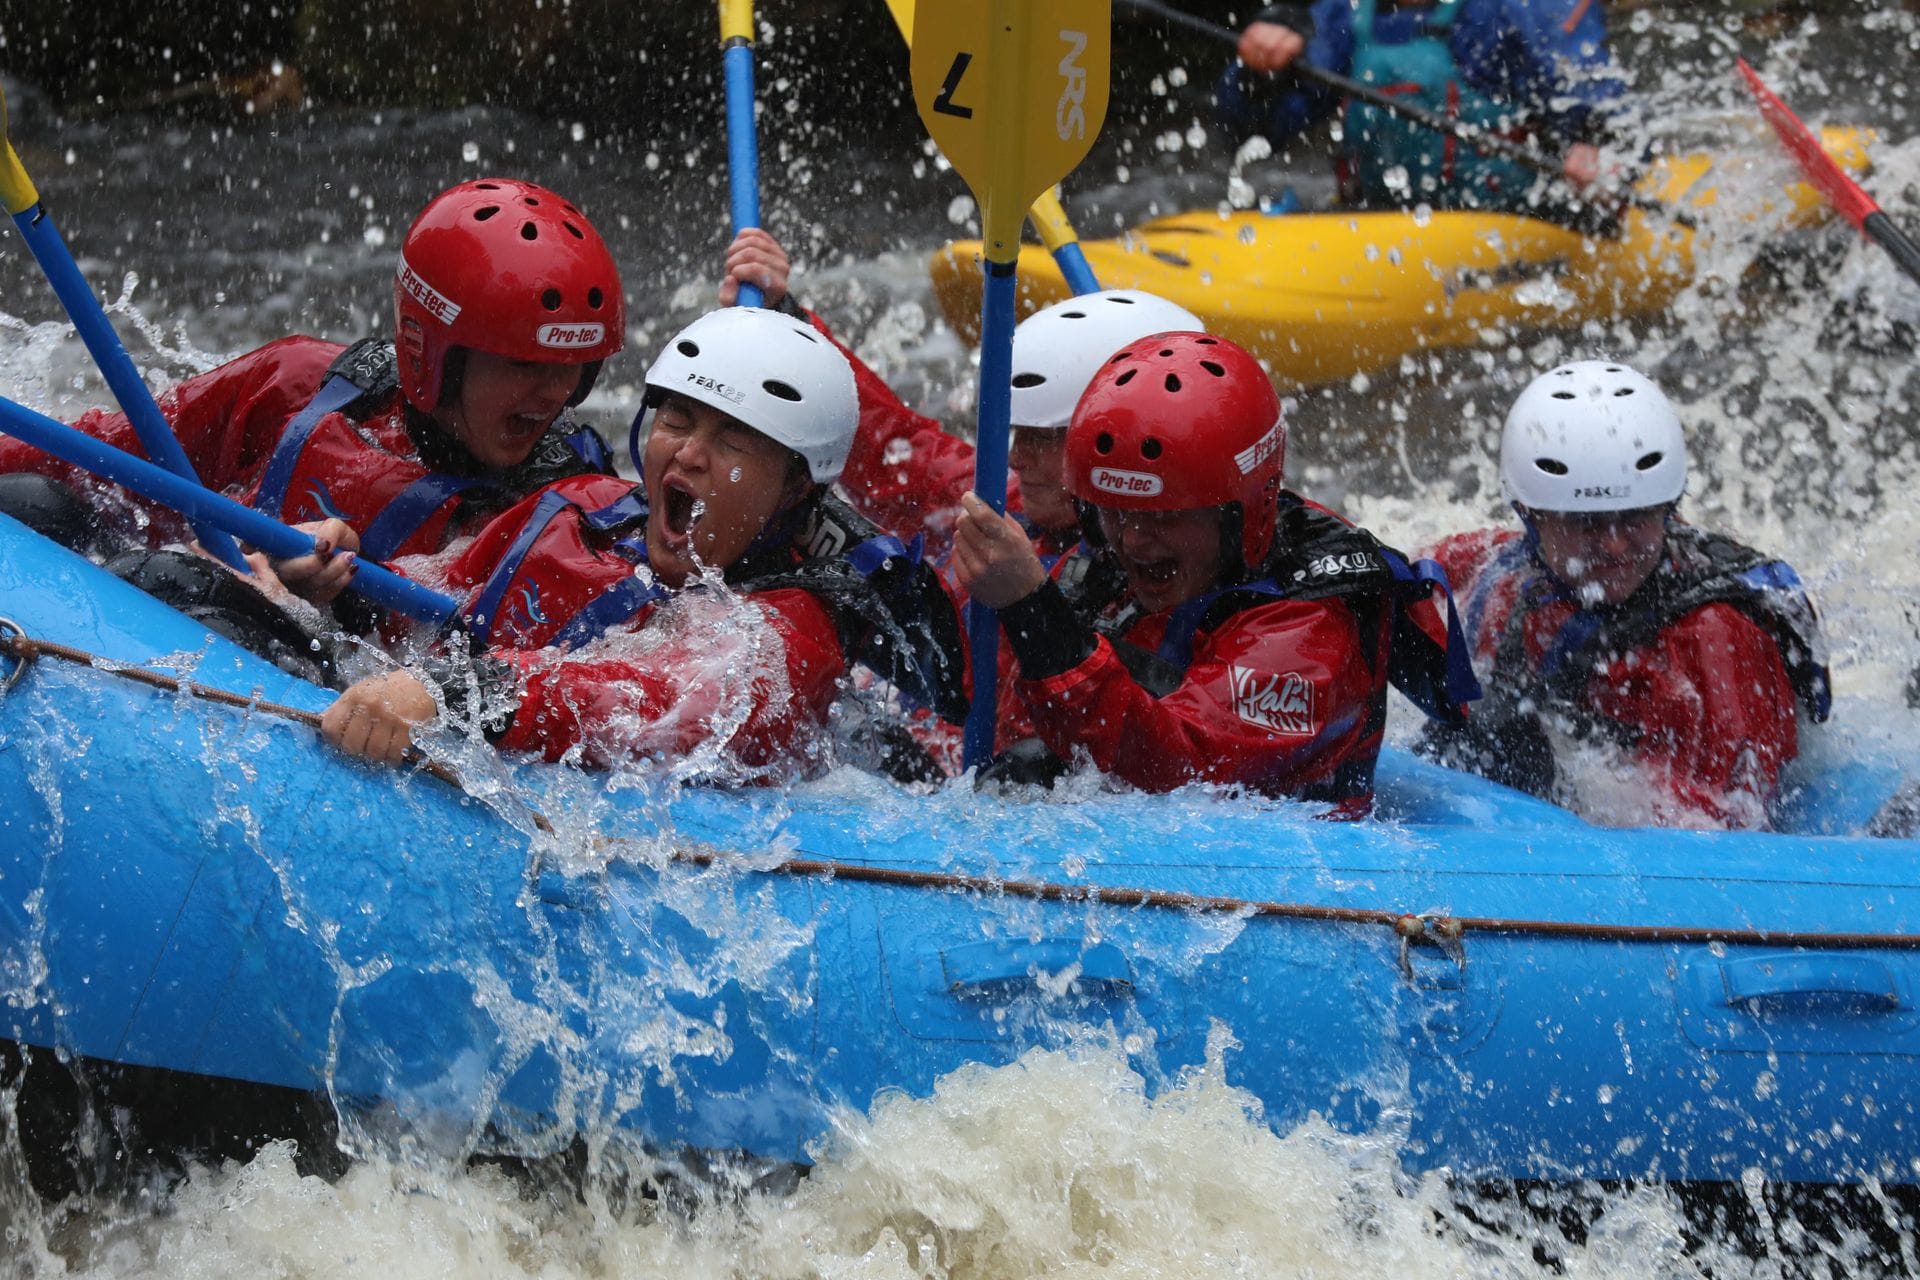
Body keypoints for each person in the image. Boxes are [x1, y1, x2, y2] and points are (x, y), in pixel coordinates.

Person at [321, 305, 963, 779]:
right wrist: (331, 585)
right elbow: (434, 594)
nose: (688, 452)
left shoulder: (790, 639)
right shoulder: (586, 509)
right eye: (677, 420)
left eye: (733, 440)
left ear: (796, 487)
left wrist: (453, 693)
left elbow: (651, 703)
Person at [950, 331, 1473, 811]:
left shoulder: (1311, 629)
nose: (1132, 540)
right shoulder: (1113, 560)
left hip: (1279, 878)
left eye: (1164, 517)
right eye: (1114, 512)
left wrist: (1032, 609)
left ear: (1239, 515)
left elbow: (1174, 769)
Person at [1418, 360, 1831, 828]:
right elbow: (1410, 571)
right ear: (1530, 516)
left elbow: (1723, 832)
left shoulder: (1715, 642)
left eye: (1636, 516)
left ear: (1669, 508)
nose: (1614, 545)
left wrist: (1571, 799)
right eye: (1586, 522)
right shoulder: (1506, 572)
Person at [838, 289, 1202, 561]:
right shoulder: (1004, 505)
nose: (1015, 460)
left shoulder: (1176, 587)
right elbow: (896, 455)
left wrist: (1027, 604)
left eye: (1043, 438)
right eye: (1019, 434)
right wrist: (792, 323)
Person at [1215, 0, 1628, 218]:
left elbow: (1600, 98)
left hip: (1515, 216)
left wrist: (1593, 145)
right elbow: (1256, 133)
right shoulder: (1347, 12)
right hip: (1377, 214)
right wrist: (1258, 75)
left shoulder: (1517, 9)